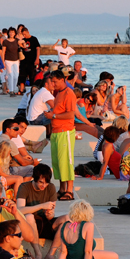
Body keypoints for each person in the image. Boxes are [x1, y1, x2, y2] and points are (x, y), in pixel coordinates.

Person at [50, 201, 123, 259]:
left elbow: (63, 252)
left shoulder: (65, 226)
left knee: (115, 256)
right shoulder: (88, 225)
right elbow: (88, 251)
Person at [47, 70, 77, 200]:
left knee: (67, 161)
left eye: (55, 81)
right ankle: (62, 188)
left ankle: (69, 191)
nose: (53, 84)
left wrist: (53, 115)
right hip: (56, 131)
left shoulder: (69, 93)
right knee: (58, 162)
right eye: (52, 81)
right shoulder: (59, 93)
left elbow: (71, 114)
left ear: (62, 80)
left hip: (65, 131)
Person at [16, 164, 63, 241]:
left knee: (67, 219)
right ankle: (37, 251)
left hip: (44, 222)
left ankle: (52, 251)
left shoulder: (51, 187)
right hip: (28, 223)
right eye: (41, 182)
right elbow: (19, 210)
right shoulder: (24, 187)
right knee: (29, 216)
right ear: (34, 178)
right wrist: (41, 206)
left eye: (46, 182)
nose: (44, 186)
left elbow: (51, 214)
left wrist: (49, 214)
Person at [1, 27, 23, 95]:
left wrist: (24, 42)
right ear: (8, 33)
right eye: (10, 32)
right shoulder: (5, 41)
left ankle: (13, 88)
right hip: (8, 60)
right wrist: (3, 62)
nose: (11, 33)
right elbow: (3, 52)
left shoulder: (17, 40)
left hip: (16, 60)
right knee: (10, 75)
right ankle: (11, 91)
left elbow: (23, 46)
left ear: (15, 33)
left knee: (16, 75)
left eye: (13, 32)